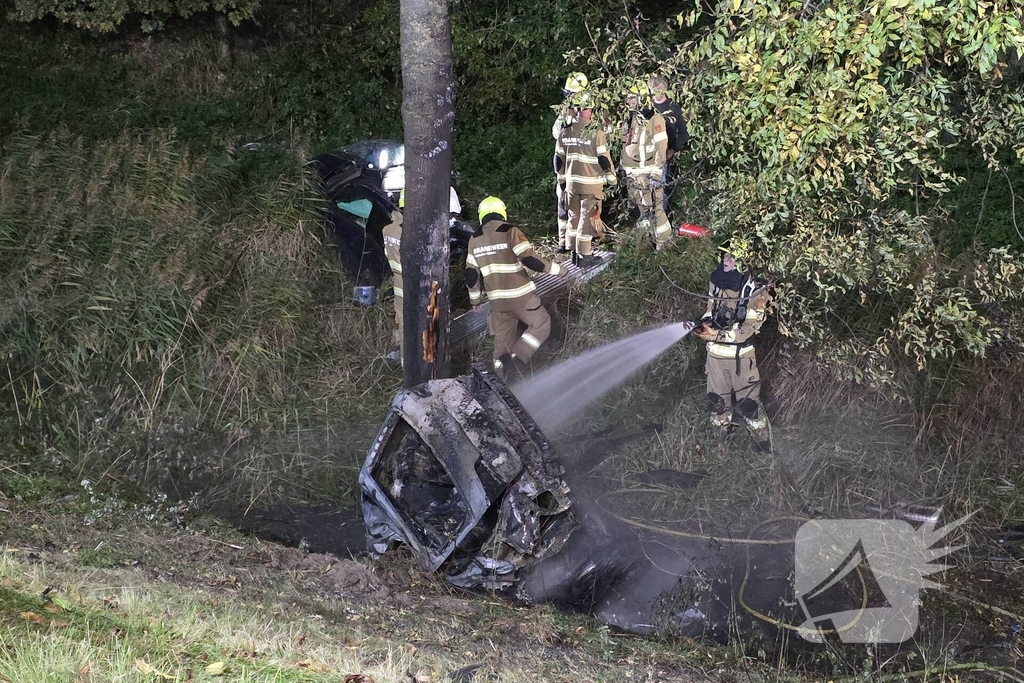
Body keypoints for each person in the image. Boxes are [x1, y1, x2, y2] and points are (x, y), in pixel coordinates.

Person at [466, 196, 564, 380]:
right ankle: (518, 360)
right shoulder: (509, 231)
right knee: (541, 325)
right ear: (501, 212)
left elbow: (471, 274)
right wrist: (558, 270)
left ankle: (501, 381)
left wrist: (475, 300)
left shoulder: (474, 239)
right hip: (521, 298)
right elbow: (530, 260)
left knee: (502, 343)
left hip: (497, 304)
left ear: (482, 216)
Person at [692, 239, 772, 452]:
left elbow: (748, 328)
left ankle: (762, 443)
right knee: (717, 402)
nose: (726, 260)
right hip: (715, 358)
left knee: (749, 405)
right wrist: (704, 324)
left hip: (741, 359)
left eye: (732, 257)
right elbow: (710, 308)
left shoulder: (755, 290)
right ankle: (720, 442)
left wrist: (716, 334)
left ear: (743, 262)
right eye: (724, 255)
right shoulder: (717, 279)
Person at [554, 100, 617, 268]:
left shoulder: (565, 131)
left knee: (573, 217)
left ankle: (574, 252)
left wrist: (561, 181)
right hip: (590, 185)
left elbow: (557, 161)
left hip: (571, 185)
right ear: (589, 109)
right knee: (586, 219)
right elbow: (604, 160)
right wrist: (612, 179)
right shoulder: (596, 132)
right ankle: (585, 255)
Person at [620, 81, 672, 250]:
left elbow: (661, 146)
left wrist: (656, 174)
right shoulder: (630, 117)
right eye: (627, 98)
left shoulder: (654, 118)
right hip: (633, 175)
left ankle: (664, 244)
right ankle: (645, 242)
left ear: (642, 98)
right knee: (643, 210)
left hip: (648, 174)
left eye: (632, 98)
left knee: (656, 209)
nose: (628, 101)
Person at [553, 73, 589, 253]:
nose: (570, 97)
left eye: (573, 93)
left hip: (583, 165)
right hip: (565, 163)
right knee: (563, 200)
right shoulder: (565, 110)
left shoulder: (590, 112)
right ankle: (563, 242)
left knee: (583, 207)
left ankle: (580, 245)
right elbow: (555, 130)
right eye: (569, 94)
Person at [648, 76, 688, 217]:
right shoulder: (647, 108)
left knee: (663, 188)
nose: (655, 93)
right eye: (653, 90)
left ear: (664, 89)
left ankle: (664, 217)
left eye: (658, 89)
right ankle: (648, 218)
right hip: (647, 156)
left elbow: (683, 133)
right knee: (647, 189)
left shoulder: (674, 108)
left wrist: (673, 149)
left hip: (665, 156)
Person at [382, 193, 405, 363]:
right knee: (410, 322)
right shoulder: (409, 229)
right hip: (411, 282)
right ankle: (407, 359)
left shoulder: (388, 229)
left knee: (400, 316)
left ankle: (397, 348)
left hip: (398, 281)